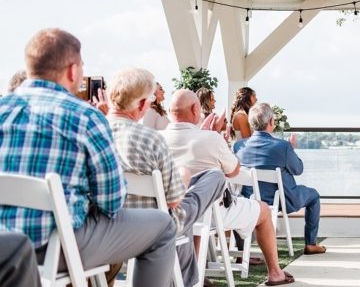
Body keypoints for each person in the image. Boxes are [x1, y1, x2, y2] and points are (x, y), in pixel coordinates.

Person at [0, 28, 176, 286]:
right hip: (57, 245)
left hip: (5, 245)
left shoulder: (3, 110)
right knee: (163, 226)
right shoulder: (85, 117)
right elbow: (113, 201)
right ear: (72, 71)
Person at [162, 89, 295, 285]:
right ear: (195, 108)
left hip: (173, 212)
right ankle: (275, 273)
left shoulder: (157, 138)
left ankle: (196, 273)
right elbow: (233, 171)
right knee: (265, 211)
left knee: (198, 221)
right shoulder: (209, 138)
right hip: (215, 213)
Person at [107, 68, 226, 287]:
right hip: (156, 225)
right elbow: (174, 200)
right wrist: (184, 176)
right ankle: (189, 282)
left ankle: (190, 280)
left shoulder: (95, 132)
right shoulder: (151, 139)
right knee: (212, 180)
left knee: (185, 221)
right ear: (143, 104)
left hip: (111, 224)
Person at [237, 103, 327, 255]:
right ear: (271, 121)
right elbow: (298, 169)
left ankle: (242, 253)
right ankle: (311, 243)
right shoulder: (282, 146)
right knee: (314, 195)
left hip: (251, 200)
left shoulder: (239, 147)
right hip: (284, 200)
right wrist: (291, 149)